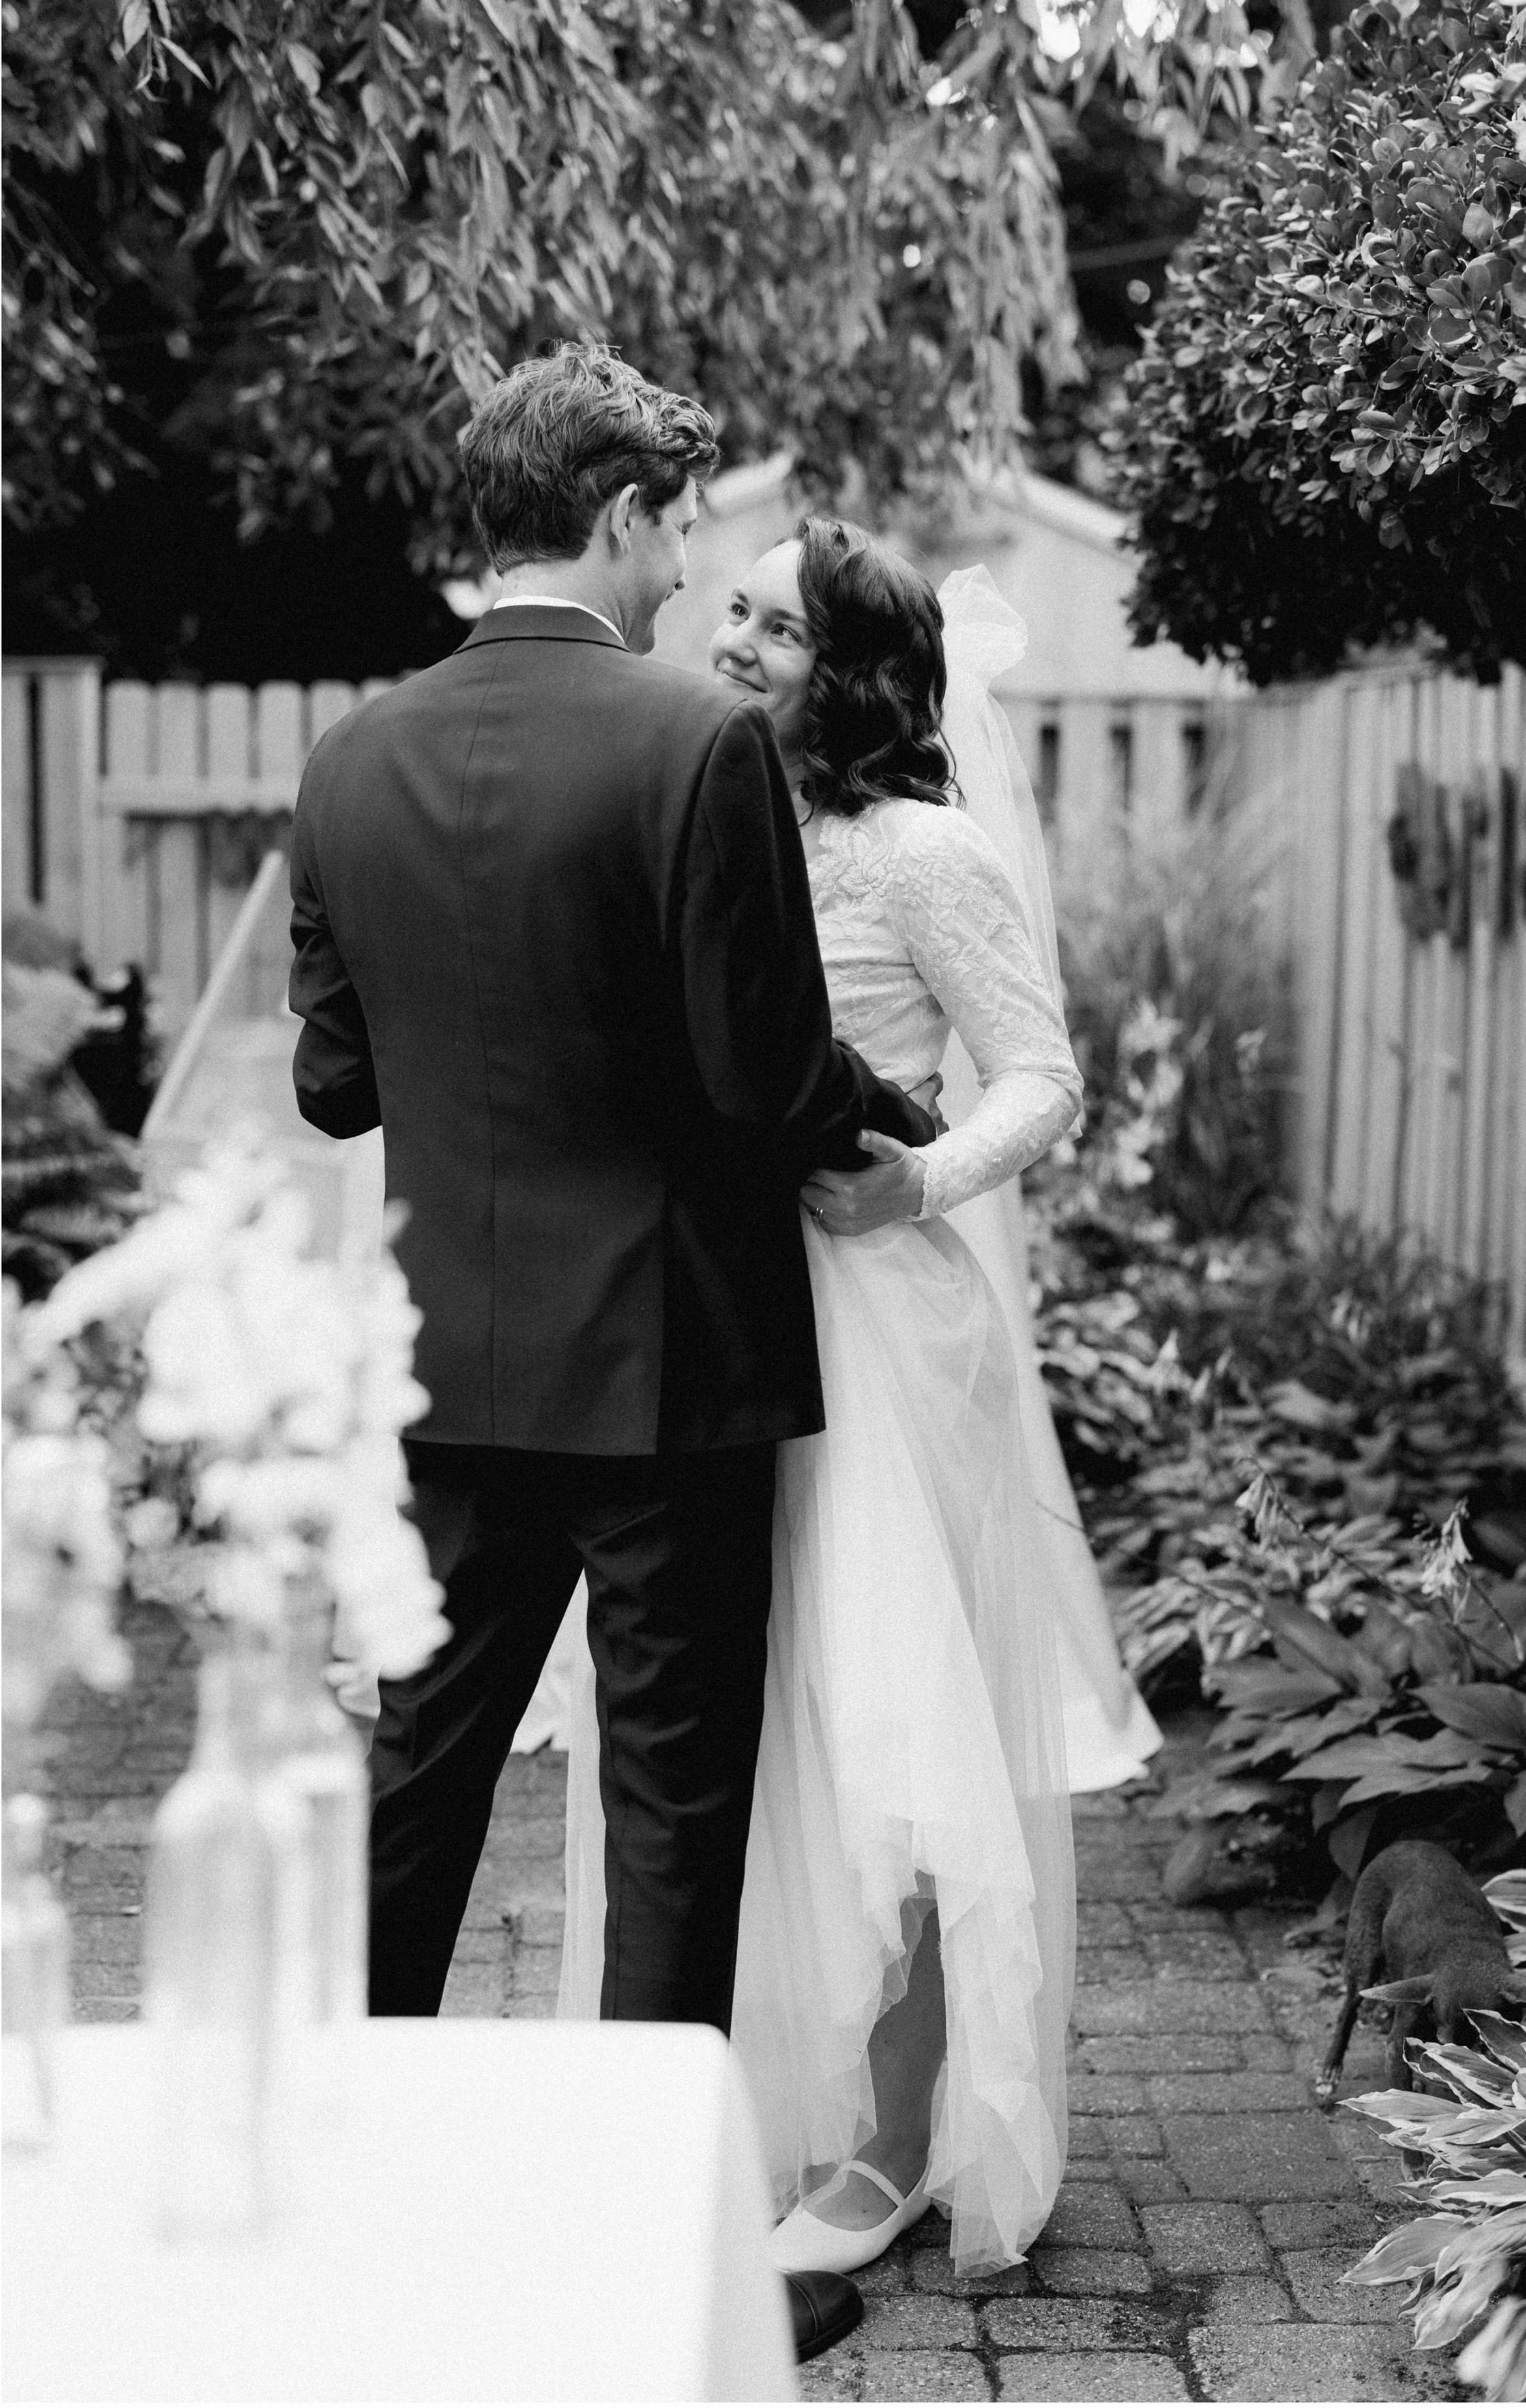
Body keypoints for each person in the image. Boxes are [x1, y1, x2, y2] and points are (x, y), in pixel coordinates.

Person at [288, 344, 941, 2364]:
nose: (688, 571)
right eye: (678, 525)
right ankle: (641, 2263)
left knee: (417, 1781)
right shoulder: (692, 746)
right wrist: (893, 1113)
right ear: (623, 516)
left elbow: (331, 1088)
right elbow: (757, 1073)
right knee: (673, 1808)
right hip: (669, 1367)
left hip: (450, 1366)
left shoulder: (347, 757)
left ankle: (343, 2196)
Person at [559, 519, 1098, 2278]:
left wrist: (922, 1181)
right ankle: (745, 2097)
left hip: (876, 1319)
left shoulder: (917, 853)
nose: (732, 640)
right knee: (739, 1723)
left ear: (853, 674)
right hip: (702, 1316)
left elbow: (1039, 1074)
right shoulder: (685, 807)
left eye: (776, 627)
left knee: (898, 1734)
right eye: (732, 606)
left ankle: (888, 2141)